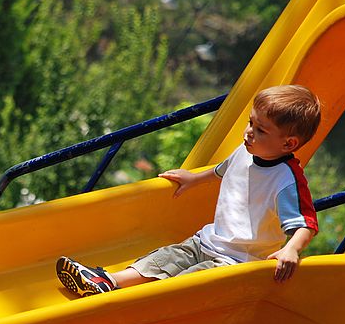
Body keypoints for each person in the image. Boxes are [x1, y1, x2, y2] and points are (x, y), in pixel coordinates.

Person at [56, 84, 321, 297]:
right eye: (251, 122)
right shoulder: (246, 150)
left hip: (237, 262)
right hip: (207, 240)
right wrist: (194, 178)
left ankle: (141, 304)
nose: (249, 132)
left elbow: (305, 224)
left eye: (260, 130)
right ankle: (107, 281)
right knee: (164, 259)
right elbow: (224, 169)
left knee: (183, 285)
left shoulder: (286, 181)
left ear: (288, 143)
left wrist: (292, 250)